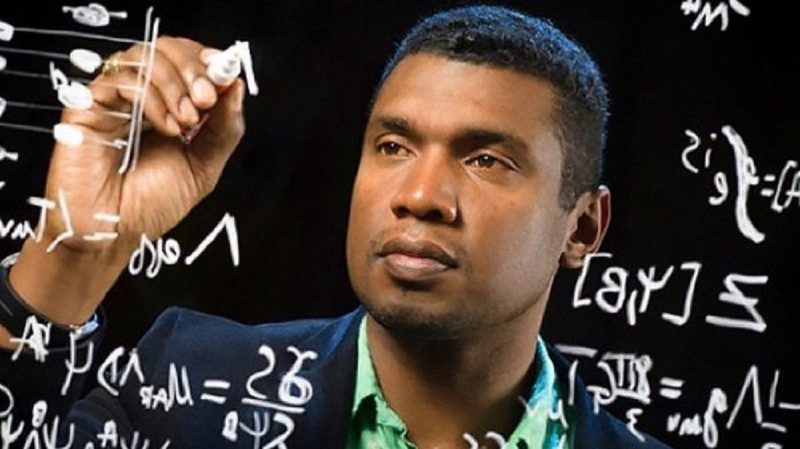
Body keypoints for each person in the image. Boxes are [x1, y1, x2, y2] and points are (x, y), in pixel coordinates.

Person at [0, 5, 671, 448]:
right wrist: (75, 248)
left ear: (582, 228)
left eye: (486, 160)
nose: (419, 196)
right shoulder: (184, 385)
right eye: (393, 146)